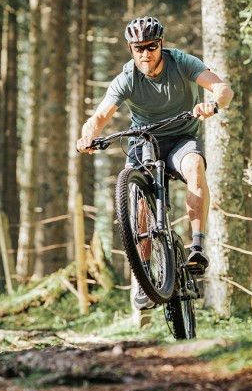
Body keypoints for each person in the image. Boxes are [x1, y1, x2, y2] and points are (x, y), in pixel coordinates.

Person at [76, 16, 234, 310]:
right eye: (138, 48)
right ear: (131, 49)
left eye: (151, 46)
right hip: (143, 142)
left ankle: (197, 247)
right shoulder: (127, 78)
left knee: (194, 167)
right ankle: (146, 276)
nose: (145, 54)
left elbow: (223, 89)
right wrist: (87, 137)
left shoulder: (182, 63)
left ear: (161, 44)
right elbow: (98, 118)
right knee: (136, 205)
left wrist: (212, 104)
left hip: (181, 139)